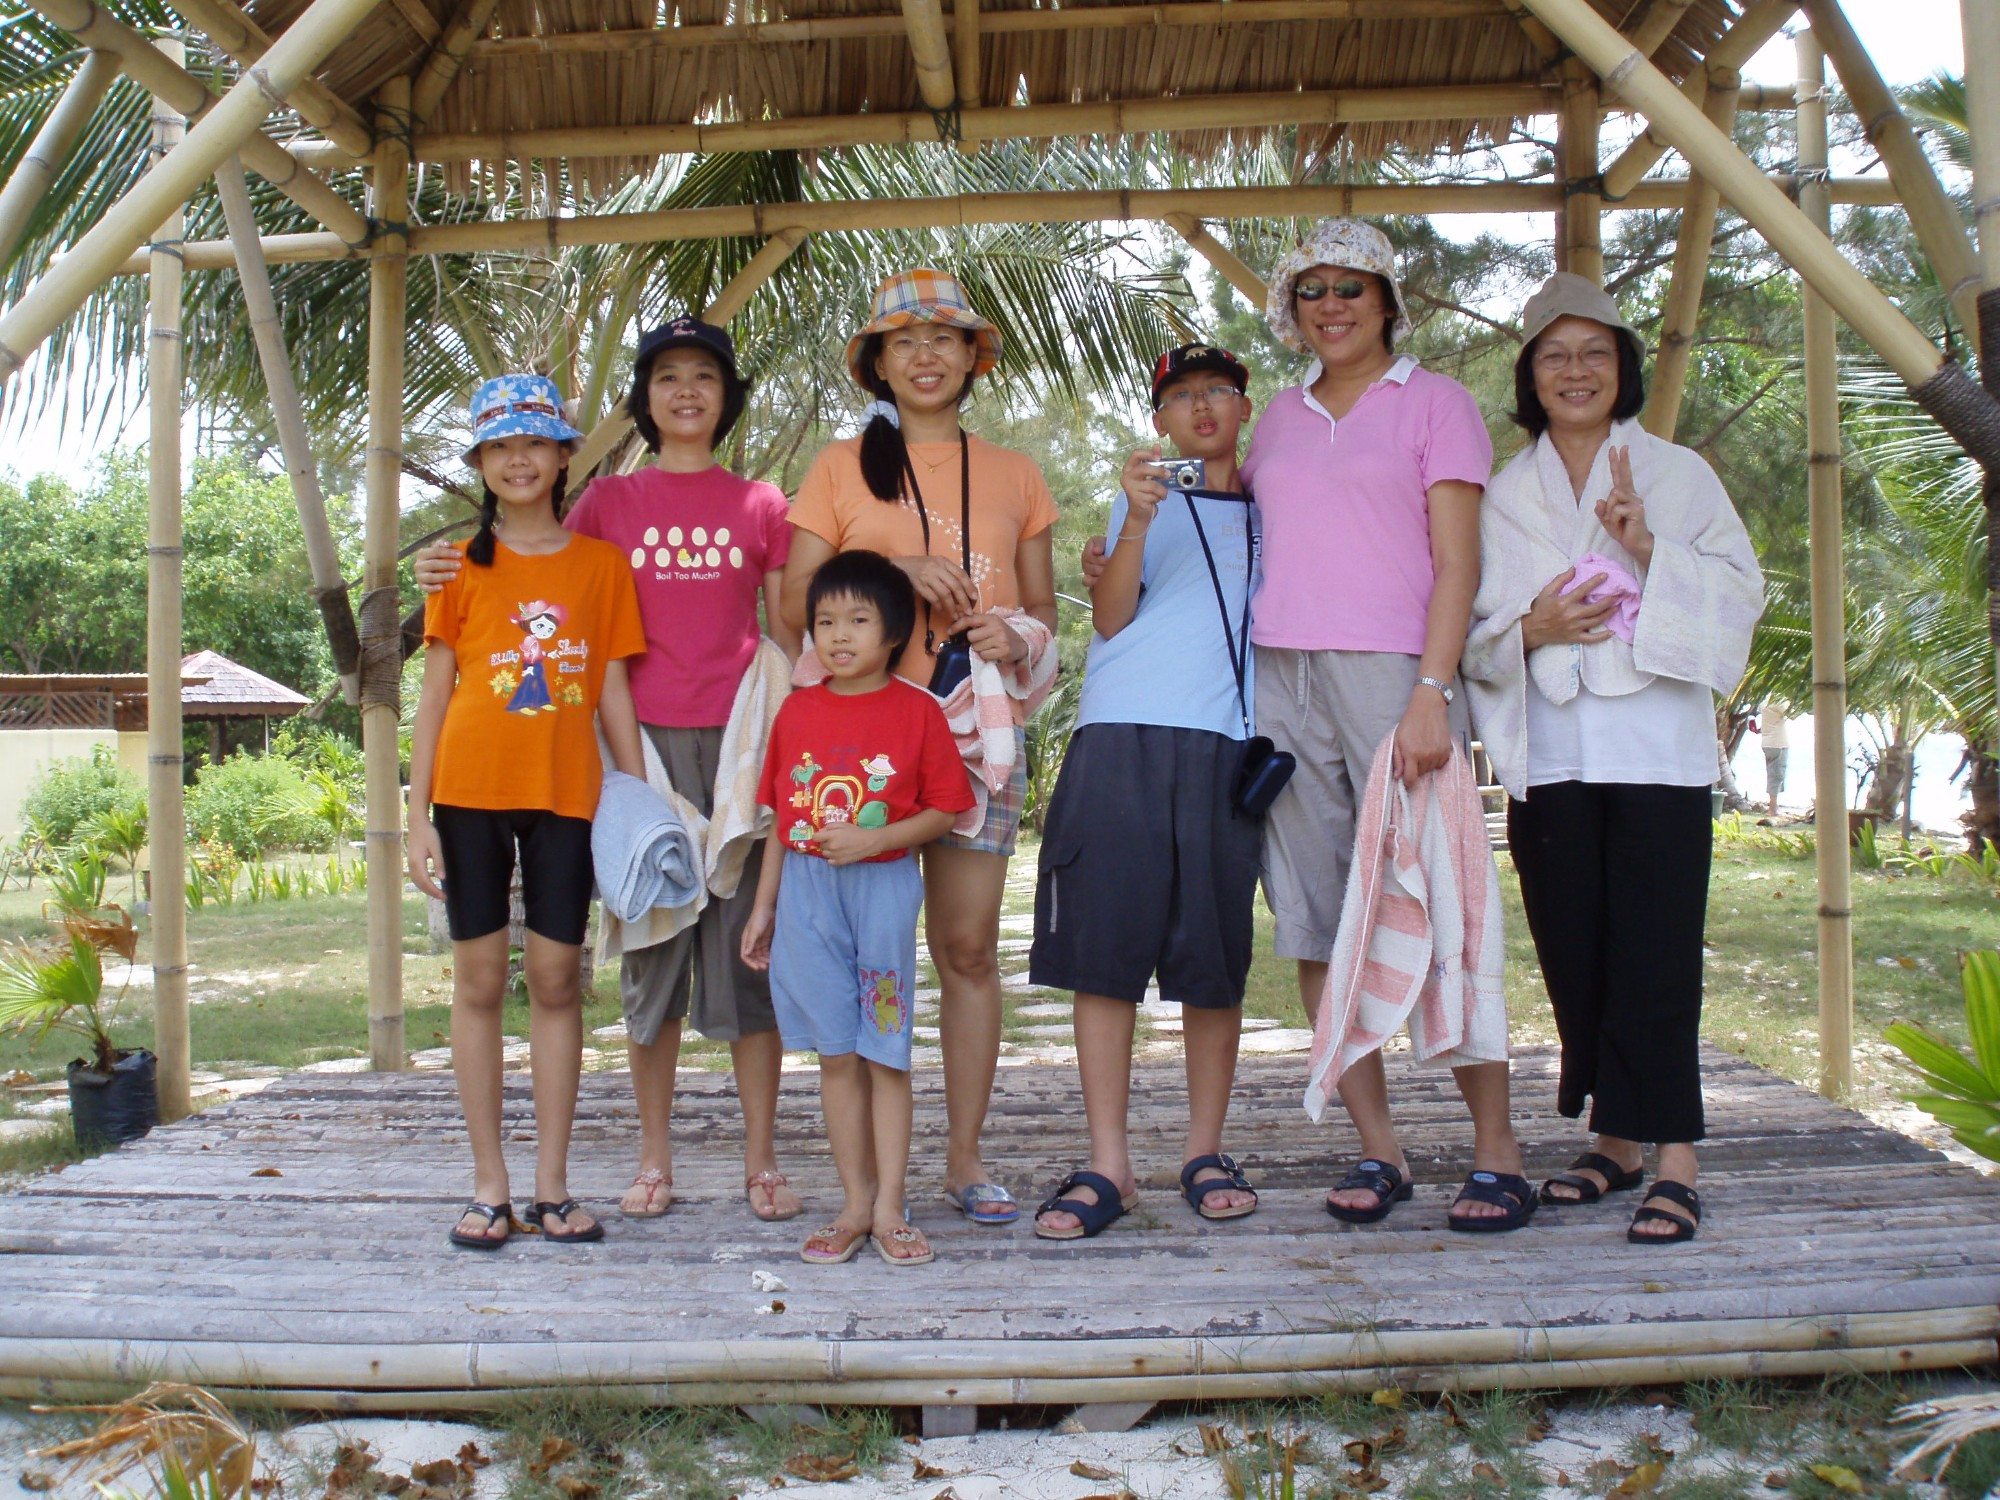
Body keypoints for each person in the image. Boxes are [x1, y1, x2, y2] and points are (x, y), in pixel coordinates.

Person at [416, 318, 805, 1225]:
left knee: (747, 957)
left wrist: (801, 736)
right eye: (667, 376)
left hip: (726, 750)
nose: (685, 391)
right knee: (649, 961)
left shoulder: (758, 507)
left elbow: (782, 630)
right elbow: (477, 639)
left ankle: (757, 1162)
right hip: (584, 768)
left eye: (703, 376)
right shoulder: (599, 512)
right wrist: (416, 809)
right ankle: (645, 1162)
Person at [1461, 272, 1764, 1245]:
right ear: (1528, 376)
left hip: (1653, 749)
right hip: (1549, 751)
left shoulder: (1675, 477)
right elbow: (1469, 632)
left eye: (1594, 353)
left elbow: (1737, 592)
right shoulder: (1502, 495)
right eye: (1554, 356)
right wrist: (1528, 628)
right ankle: (1616, 1139)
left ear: (1623, 369)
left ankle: (1672, 1154)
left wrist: (1645, 552)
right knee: (1574, 949)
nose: (1574, 371)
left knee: (1653, 952)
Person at [1240, 218, 1526, 1228]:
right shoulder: (1272, 417)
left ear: (1385, 301)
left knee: (1439, 897)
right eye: (1310, 289)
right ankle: (1378, 1152)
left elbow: (1459, 564)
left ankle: (1495, 1150)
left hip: (1392, 679)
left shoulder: (1435, 405)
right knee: (1315, 913)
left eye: (1348, 288)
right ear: (1291, 307)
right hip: (1279, 679)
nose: (1330, 305)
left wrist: (1430, 690)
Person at [782, 269, 1060, 1227]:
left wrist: (1010, 635)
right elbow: (794, 605)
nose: (927, 355)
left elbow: (1046, 617)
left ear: (973, 358)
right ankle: (868, 1182)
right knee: (870, 955)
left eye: (945, 339)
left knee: (968, 950)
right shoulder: (836, 467)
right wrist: (891, 570)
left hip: (977, 737)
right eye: (904, 341)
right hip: (861, 750)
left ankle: (965, 1155)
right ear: (878, 363)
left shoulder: (1017, 471)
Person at [1028, 344, 1263, 1240]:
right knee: (1106, 952)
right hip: (1121, 731)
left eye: (1219, 392)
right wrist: (1129, 521)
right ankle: (1108, 1163)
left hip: (1224, 744)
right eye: (1182, 398)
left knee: (1214, 956)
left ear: (1246, 408)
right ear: (1159, 420)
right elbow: (1115, 615)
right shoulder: (1147, 506)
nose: (1202, 408)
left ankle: (1204, 1150)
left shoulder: (1276, 509)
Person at [408, 375, 648, 1249]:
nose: (518, 459)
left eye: (535, 444)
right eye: (500, 446)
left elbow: (614, 688)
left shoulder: (599, 567)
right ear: (481, 463)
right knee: (477, 984)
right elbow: (435, 695)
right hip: (467, 797)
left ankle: (552, 1184)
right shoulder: (459, 568)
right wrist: (415, 813)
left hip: (568, 800)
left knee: (555, 982)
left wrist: (639, 804)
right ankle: (487, 1185)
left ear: (561, 458)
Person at [741, 550, 975, 1266]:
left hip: (883, 893)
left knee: (885, 1053)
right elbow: (783, 819)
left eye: (857, 620)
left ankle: (890, 1206)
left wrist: (878, 835)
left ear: (894, 630)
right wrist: (763, 908)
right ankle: (852, 1201)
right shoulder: (797, 710)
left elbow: (945, 811)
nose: (838, 636)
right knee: (836, 1057)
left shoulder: (919, 713)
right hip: (808, 897)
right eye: (824, 622)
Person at [1761, 704, 1789, 818]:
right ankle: (1773, 809)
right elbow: (1792, 713)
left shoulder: (1765, 702)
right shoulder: (1780, 702)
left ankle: (1774, 807)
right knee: (1777, 776)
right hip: (1778, 743)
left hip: (1766, 743)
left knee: (1772, 774)